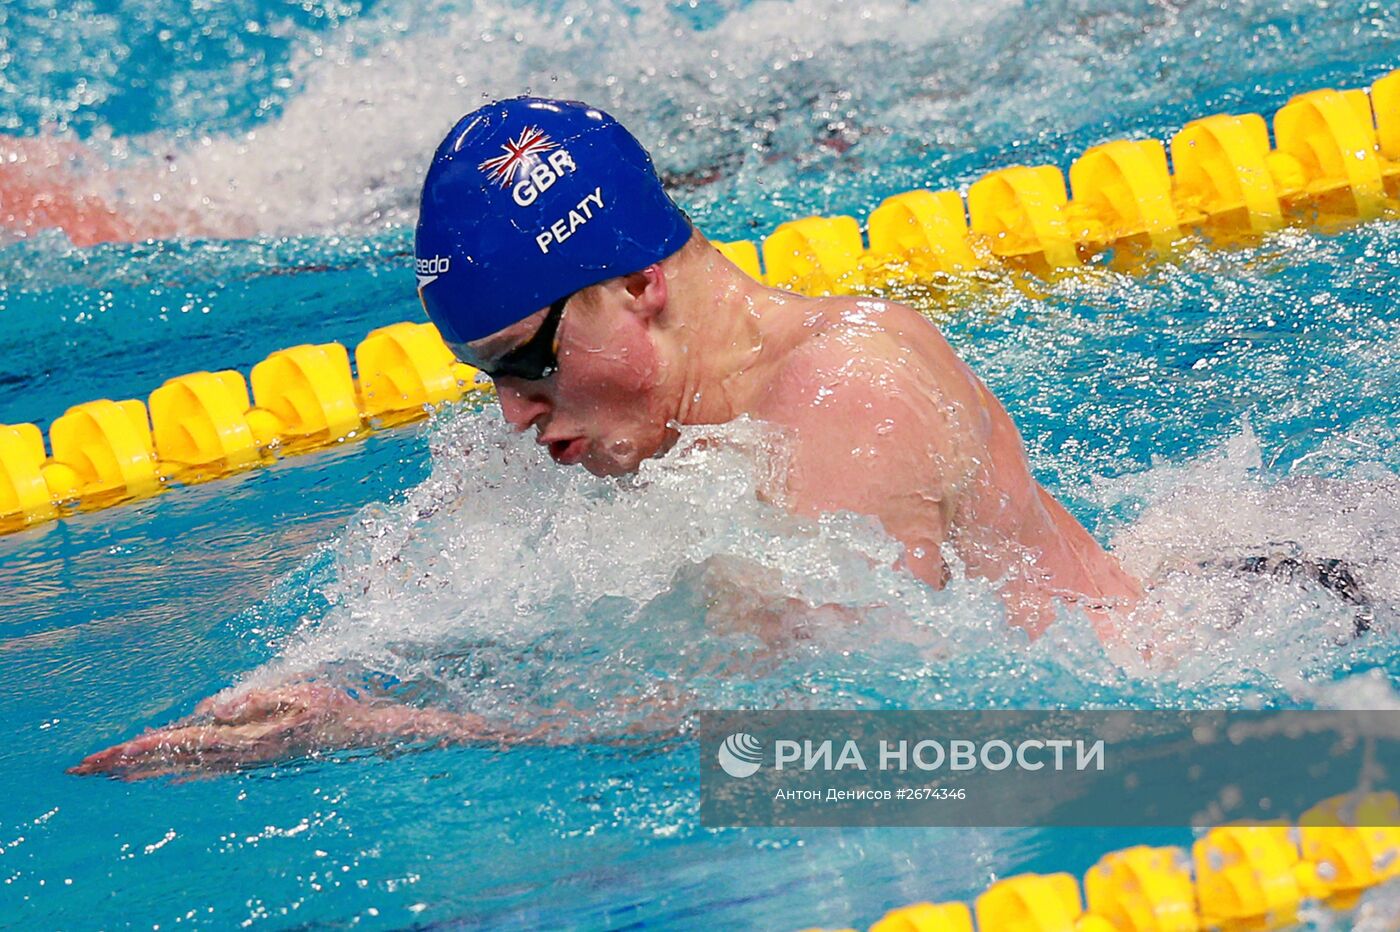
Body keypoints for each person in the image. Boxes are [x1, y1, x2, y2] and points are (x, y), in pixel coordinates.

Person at [72, 96, 1143, 780]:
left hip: (1128, 745)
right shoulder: (663, 418)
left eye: (527, 361)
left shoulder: (843, 401)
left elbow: (808, 734)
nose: (512, 413)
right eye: (487, 376)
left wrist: (384, 724)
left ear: (638, 285)